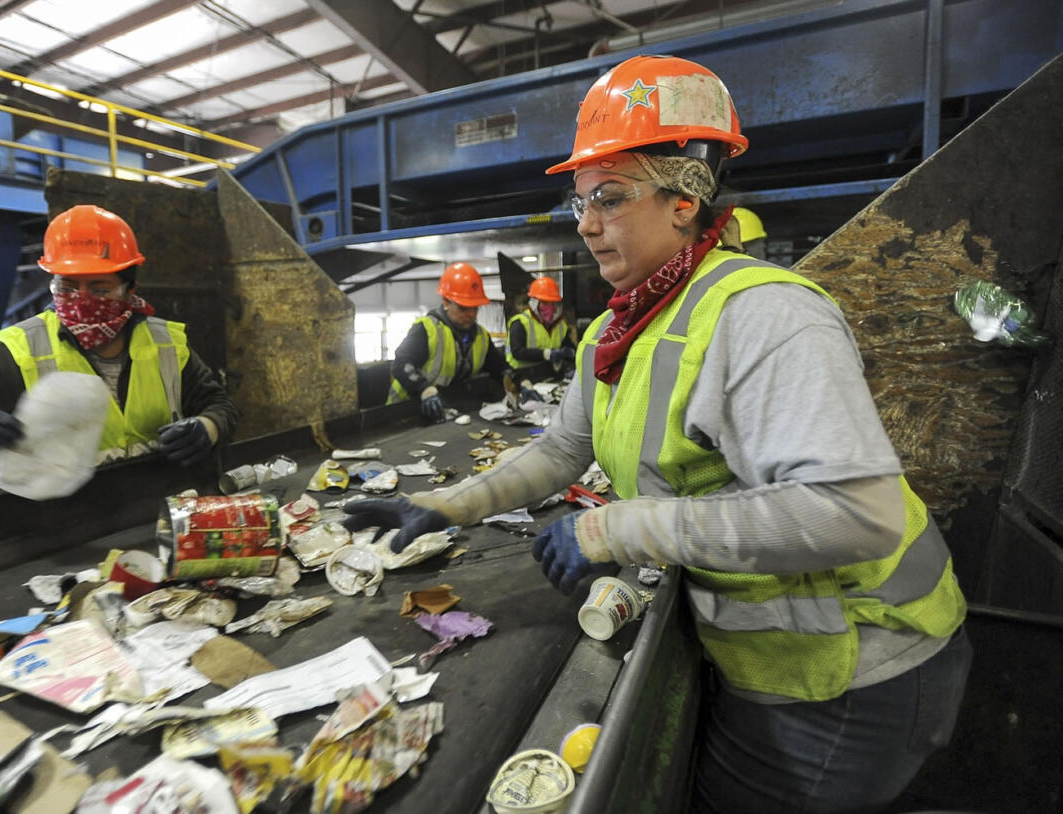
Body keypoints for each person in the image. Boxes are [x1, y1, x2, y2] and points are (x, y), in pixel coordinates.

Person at [346, 55, 970, 813]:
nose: (586, 224)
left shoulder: (763, 315)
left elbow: (855, 513)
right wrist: (451, 506)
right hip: (773, 660)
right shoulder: (621, 327)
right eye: (579, 202)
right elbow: (561, 450)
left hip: (854, 671)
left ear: (686, 197)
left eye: (609, 196)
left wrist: (619, 527)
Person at [0, 204, 238, 468]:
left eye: (99, 289)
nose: (81, 300)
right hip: (59, 517)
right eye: (68, 287)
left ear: (130, 291)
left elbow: (218, 403)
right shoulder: (20, 349)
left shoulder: (167, 343)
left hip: (154, 502)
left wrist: (207, 428)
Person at [387, 262, 541, 422]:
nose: (471, 314)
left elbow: (500, 368)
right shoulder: (427, 329)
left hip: (441, 411)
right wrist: (424, 390)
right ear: (446, 302)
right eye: (464, 308)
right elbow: (400, 365)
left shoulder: (481, 336)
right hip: (403, 414)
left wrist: (523, 382)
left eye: (475, 308)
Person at [505, 276, 577, 377]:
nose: (550, 308)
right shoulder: (520, 322)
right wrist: (546, 354)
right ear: (534, 303)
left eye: (553, 303)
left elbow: (567, 346)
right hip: (522, 375)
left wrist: (572, 353)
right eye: (544, 303)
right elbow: (517, 352)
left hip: (547, 374)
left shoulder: (561, 325)